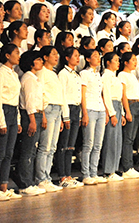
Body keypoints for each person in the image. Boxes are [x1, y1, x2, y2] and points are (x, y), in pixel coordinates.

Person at [0, 44, 23, 201]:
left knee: (9, 153)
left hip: (13, 112)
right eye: (16, 52)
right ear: (7, 55)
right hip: (3, 111)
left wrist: (17, 120)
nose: (19, 55)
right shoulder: (0, 73)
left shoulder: (14, 74)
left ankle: (4, 186)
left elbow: (15, 99)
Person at [35, 46, 68, 192]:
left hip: (57, 109)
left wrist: (61, 116)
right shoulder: (41, 72)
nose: (56, 56)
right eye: (53, 54)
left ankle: (47, 177)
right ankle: (41, 178)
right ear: (45, 57)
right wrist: (42, 113)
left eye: (57, 54)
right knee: (45, 146)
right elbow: (40, 93)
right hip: (48, 109)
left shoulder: (54, 73)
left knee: (52, 147)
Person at [16, 51, 48, 196]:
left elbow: (40, 99)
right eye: (38, 59)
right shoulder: (28, 78)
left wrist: (43, 116)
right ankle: (25, 183)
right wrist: (33, 120)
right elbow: (29, 101)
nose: (41, 62)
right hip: (30, 115)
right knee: (27, 150)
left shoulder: (35, 78)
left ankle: (30, 181)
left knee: (32, 150)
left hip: (38, 113)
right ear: (31, 62)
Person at [55, 47, 84, 188]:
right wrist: (65, 116)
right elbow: (63, 95)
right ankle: (62, 176)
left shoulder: (76, 75)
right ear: (67, 58)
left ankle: (68, 174)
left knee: (71, 145)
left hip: (76, 109)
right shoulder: (63, 74)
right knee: (64, 145)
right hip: (67, 109)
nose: (78, 58)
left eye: (78, 56)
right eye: (75, 56)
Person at [80, 49, 107, 184]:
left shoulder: (98, 75)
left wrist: (105, 111)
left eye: (98, 56)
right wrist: (84, 113)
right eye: (95, 56)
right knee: (88, 143)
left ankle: (94, 172)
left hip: (100, 109)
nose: (98, 58)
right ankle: (86, 174)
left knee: (98, 144)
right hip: (90, 109)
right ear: (88, 59)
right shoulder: (84, 73)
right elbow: (83, 94)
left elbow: (101, 94)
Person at [101, 51, 128, 181]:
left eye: (118, 60)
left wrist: (121, 113)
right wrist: (112, 113)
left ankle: (114, 169)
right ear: (108, 62)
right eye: (115, 60)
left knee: (117, 140)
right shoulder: (106, 76)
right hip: (111, 106)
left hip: (117, 106)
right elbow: (106, 95)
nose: (118, 63)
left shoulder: (116, 77)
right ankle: (108, 170)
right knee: (110, 140)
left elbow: (120, 97)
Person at [118, 52, 139, 178]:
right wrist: (127, 111)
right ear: (125, 62)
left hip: (137, 104)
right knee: (128, 138)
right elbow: (123, 94)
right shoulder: (122, 75)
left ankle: (131, 165)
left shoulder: (133, 75)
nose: (135, 62)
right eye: (133, 60)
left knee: (132, 138)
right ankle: (127, 167)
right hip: (130, 104)